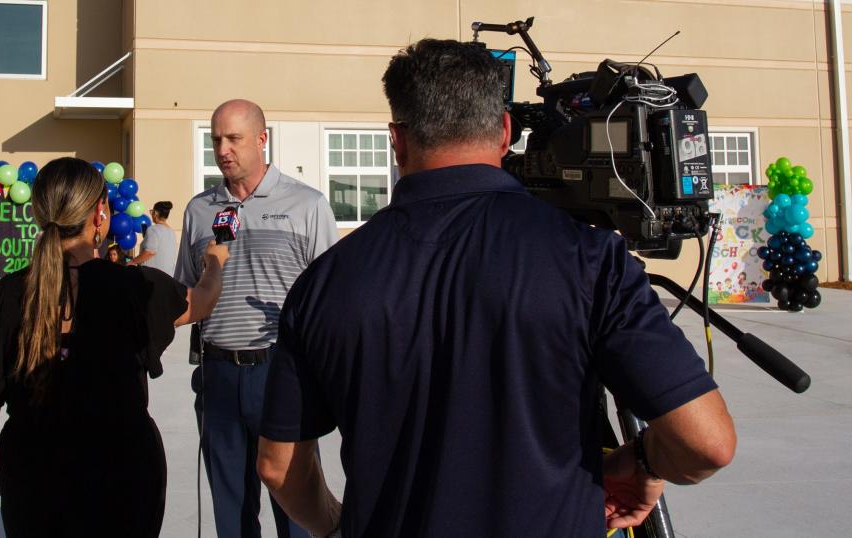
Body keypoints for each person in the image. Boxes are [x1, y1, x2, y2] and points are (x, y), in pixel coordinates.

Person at [256, 39, 737, 537]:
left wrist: (334, 527)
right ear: (506, 130)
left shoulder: (325, 281)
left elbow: (277, 465)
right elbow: (707, 444)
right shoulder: (588, 260)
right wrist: (643, 462)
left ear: (396, 141)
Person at [0, 157, 229, 537]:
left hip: (34, 479)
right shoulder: (136, 288)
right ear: (100, 214)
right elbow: (202, 301)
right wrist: (214, 262)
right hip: (125, 477)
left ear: (37, 213)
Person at [174, 99, 338, 538]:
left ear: (262, 139)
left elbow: (329, 301)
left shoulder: (308, 205)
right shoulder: (199, 211)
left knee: (295, 503)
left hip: (281, 374)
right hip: (218, 376)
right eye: (215, 140)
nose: (223, 150)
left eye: (233, 138)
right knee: (230, 509)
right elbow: (186, 295)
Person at [129, 201, 177, 275]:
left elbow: (149, 252)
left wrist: (133, 261)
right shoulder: (171, 232)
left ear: (155, 213)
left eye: (152, 212)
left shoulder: (153, 229)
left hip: (153, 276)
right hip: (169, 275)